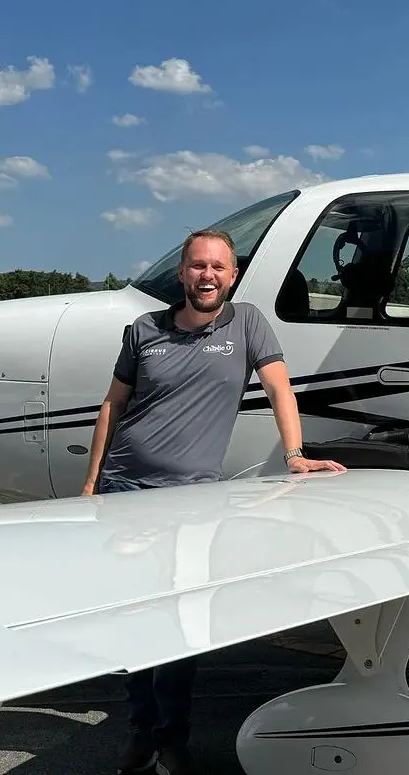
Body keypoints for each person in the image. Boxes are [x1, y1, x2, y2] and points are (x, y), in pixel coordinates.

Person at [81, 228, 346, 775]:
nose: (207, 276)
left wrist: (295, 454)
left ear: (233, 275)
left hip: (193, 500)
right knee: (132, 621)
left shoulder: (247, 323)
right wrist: (91, 485)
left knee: (182, 625)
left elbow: (279, 388)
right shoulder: (144, 329)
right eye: (198, 266)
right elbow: (113, 405)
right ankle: (140, 730)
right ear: (183, 273)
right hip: (125, 491)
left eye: (218, 267)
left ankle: (171, 738)